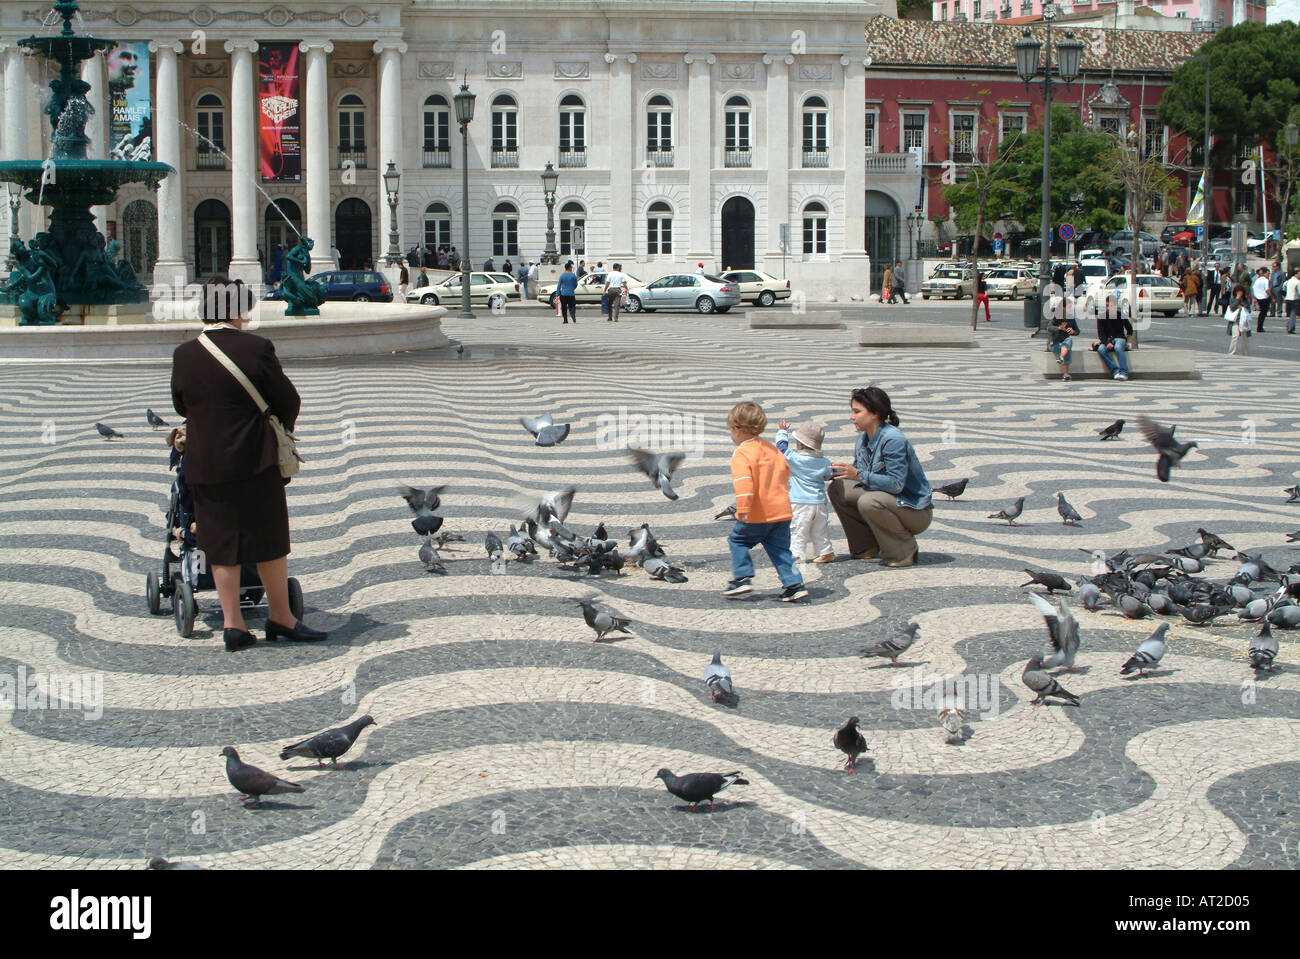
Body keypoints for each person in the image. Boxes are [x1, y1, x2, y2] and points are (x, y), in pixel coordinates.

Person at [170, 277, 327, 651]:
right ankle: (280, 618)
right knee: (269, 539)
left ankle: (233, 626)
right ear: (237, 310)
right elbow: (289, 399)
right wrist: (278, 426)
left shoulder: (185, 353)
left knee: (221, 543)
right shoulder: (257, 349)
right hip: (256, 460)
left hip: (205, 464)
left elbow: (181, 405)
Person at [827, 386, 933, 568]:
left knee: (869, 501)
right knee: (838, 488)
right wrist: (832, 472)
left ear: (875, 413)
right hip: (887, 498)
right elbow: (859, 471)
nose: (852, 417)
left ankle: (903, 550)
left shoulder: (893, 440)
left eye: (856, 412)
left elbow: (896, 484)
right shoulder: (863, 438)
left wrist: (858, 474)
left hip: (913, 509)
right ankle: (866, 547)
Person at [723, 402, 807, 602]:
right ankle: (795, 584)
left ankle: (742, 578)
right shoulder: (771, 449)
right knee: (780, 549)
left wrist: (743, 508)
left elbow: (744, 484)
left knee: (738, 540)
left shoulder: (742, 453)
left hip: (757, 513)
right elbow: (786, 472)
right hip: (782, 512)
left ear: (737, 429)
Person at [774, 419, 835, 565]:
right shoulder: (824, 462)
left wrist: (782, 431)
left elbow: (781, 448)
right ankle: (825, 551)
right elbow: (830, 474)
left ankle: (796, 554)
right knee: (820, 530)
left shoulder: (795, 459)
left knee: (798, 530)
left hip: (800, 502)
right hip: (819, 502)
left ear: (800, 443)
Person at [1093, 292, 1133, 381]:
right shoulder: (1101, 316)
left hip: (1119, 338)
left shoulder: (1121, 315)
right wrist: (1107, 343)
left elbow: (1129, 329)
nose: (1108, 308)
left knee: (1118, 348)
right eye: (1107, 305)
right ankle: (1115, 371)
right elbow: (1101, 334)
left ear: (1115, 305)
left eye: (1110, 305)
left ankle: (1124, 372)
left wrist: (1128, 341)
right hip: (1108, 339)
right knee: (1101, 349)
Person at [1048, 314, 1078, 382]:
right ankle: (1066, 374)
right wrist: (1059, 328)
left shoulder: (1071, 318)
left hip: (1064, 343)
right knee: (1067, 347)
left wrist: (1073, 332)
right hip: (1054, 344)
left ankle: (1061, 357)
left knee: (1068, 342)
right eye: (1069, 307)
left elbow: (1077, 331)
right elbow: (1049, 328)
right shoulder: (1056, 317)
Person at [1225, 286, 1251, 355]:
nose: (1239, 293)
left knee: (1245, 338)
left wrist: (1242, 307)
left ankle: (1246, 353)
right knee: (1235, 336)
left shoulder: (1246, 300)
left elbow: (1249, 310)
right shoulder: (1233, 299)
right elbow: (1231, 308)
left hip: (1243, 321)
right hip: (1235, 321)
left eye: (1241, 292)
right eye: (1238, 292)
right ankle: (1232, 352)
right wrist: (1237, 300)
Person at [1251, 267, 1270, 332]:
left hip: (1258, 297)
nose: (1268, 274)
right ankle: (1260, 327)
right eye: (1267, 273)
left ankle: (1259, 326)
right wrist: (1272, 297)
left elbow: (1254, 288)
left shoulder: (1258, 280)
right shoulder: (1266, 280)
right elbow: (1267, 290)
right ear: (1265, 273)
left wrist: (1255, 297)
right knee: (1263, 313)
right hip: (1264, 297)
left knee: (1262, 312)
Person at [1285, 267, 1300, 335]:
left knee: (1290, 314)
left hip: (1288, 298)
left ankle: (1289, 325)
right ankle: (1290, 328)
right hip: (1294, 299)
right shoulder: (1297, 282)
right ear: (1296, 274)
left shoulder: (1289, 280)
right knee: (1293, 314)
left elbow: (1284, 288)